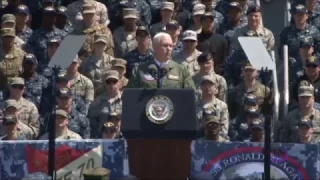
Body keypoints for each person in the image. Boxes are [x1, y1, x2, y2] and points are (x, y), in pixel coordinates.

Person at [127, 32, 195, 89]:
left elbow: (192, 95)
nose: (169, 49)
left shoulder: (181, 70)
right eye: (165, 45)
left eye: (171, 46)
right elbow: (131, 96)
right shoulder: (139, 70)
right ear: (154, 47)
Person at [88, 70, 122, 138]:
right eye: (108, 82)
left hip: (122, 139)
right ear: (104, 84)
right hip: (102, 138)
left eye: (114, 81)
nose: (112, 84)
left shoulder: (126, 100)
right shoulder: (97, 102)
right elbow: (92, 123)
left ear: (119, 83)